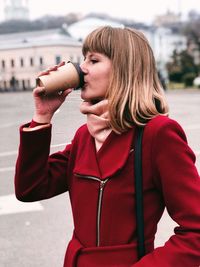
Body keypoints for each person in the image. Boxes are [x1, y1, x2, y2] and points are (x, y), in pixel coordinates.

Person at [14, 26, 200, 267]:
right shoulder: (85, 135)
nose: (82, 68)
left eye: (93, 60)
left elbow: (195, 232)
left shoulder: (158, 134)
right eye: (83, 59)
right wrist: (42, 117)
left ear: (124, 69)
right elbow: (30, 188)